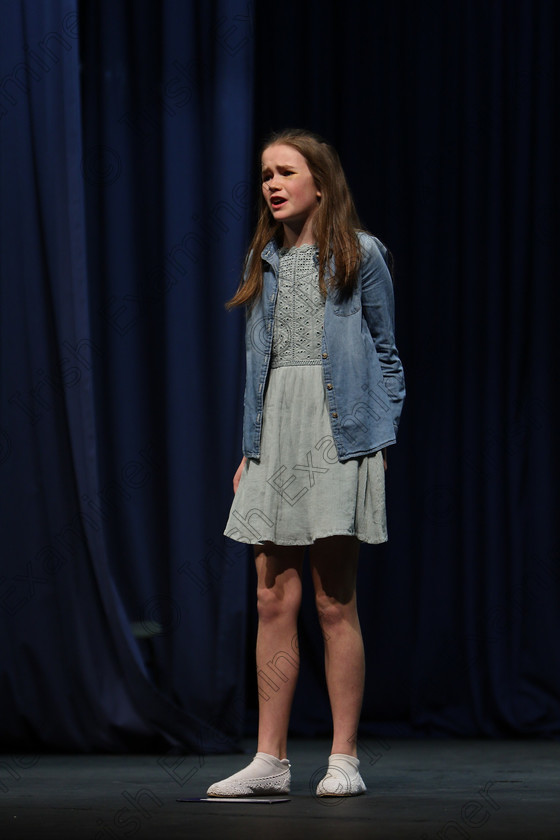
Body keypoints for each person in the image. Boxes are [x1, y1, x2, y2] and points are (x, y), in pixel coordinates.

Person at [207, 129, 405, 798]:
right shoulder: (263, 260)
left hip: (337, 434)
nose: (271, 182)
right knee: (271, 598)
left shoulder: (360, 253)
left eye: (285, 171)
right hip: (275, 435)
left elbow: (387, 356)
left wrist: (377, 441)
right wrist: (249, 446)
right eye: (266, 173)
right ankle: (271, 759)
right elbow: (257, 368)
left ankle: (344, 758)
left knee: (331, 600)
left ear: (319, 183)